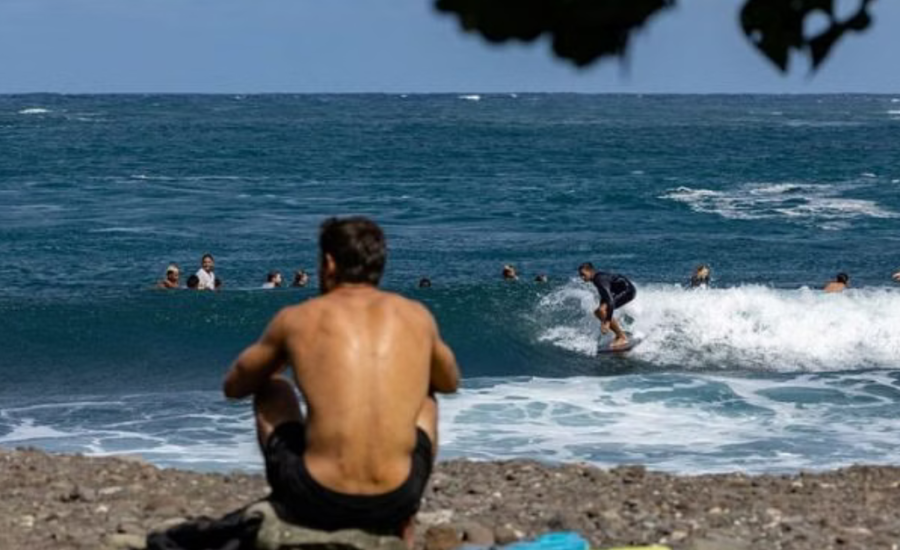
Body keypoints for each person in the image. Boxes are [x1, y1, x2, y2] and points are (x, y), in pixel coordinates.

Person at [223, 217, 459, 544]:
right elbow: (449, 382)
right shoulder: (416, 315)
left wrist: (281, 358)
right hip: (396, 498)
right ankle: (405, 524)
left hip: (318, 498)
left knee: (273, 388)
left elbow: (235, 387)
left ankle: (290, 509)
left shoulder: (297, 318)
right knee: (427, 398)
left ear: (329, 263)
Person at [578, 262, 637, 349]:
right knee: (598, 312)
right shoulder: (596, 279)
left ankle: (622, 337)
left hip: (628, 291)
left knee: (602, 311)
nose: (582, 277)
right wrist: (604, 319)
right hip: (620, 291)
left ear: (590, 271)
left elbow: (610, 301)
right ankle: (619, 334)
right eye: (580, 275)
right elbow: (604, 296)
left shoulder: (599, 280)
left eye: (583, 274)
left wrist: (607, 321)